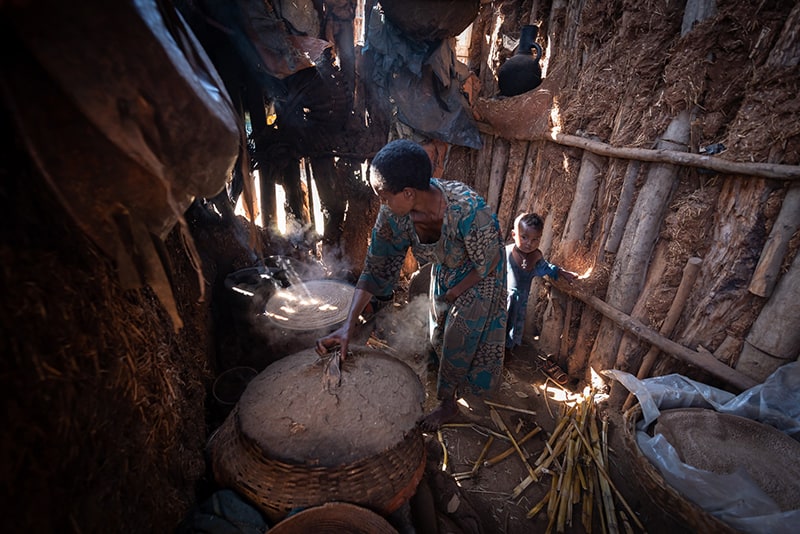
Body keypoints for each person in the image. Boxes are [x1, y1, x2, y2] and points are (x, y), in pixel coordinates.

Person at [316, 139, 507, 431]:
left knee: (459, 336)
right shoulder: (395, 213)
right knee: (437, 332)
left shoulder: (469, 210)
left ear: (408, 193)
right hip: (447, 270)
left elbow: (489, 262)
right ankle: (442, 382)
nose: (381, 203)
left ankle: (449, 404)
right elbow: (376, 267)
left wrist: (455, 292)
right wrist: (348, 326)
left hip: (480, 275)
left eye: (383, 196)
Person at [505, 213, 577, 380]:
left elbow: (547, 268)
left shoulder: (535, 258)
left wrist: (561, 272)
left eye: (535, 239)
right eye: (524, 237)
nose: (529, 243)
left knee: (513, 332)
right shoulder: (505, 254)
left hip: (519, 305)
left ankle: (506, 360)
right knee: (495, 332)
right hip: (501, 303)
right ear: (514, 234)